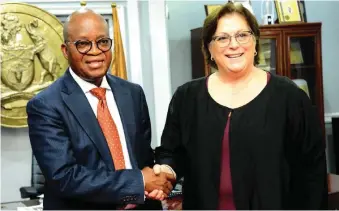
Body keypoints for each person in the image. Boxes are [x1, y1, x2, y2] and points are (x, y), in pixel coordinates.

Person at [154, 2, 328, 209]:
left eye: (242, 35)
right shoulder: (187, 97)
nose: (234, 44)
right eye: (222, 38)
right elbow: (171, 152)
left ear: (255, 42)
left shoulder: (289, 97)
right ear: (209, 48)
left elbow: (312, 172)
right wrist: (166, 171)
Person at [26, 8, 174, 210]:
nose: (95, 51)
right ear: (65, 50)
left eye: (103, 41)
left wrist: (158, 181)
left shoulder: (132, 93)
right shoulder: (45, 105)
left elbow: (143, 159)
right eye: (83, 43)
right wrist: (138, 182)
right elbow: (64, 177)